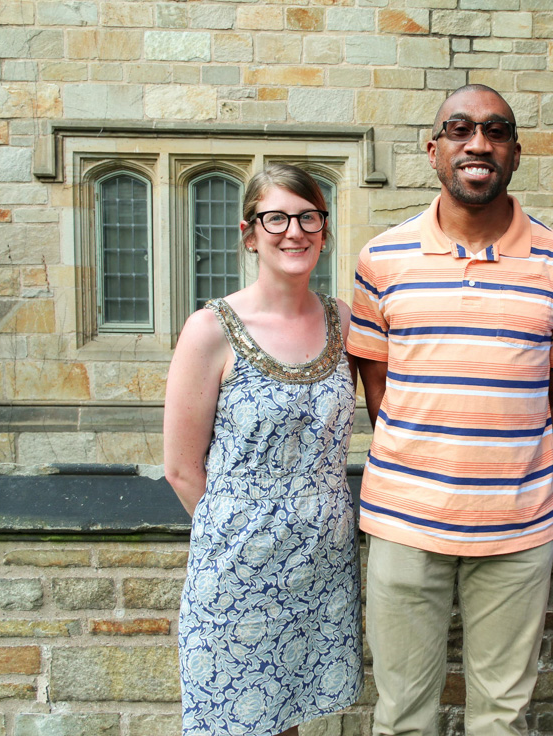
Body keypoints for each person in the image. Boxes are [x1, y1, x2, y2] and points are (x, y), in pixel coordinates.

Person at [346, 84, 553, 736]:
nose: (477, 143)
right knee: (403, 716)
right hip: (404, 523)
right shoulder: (381, 260)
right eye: (459, 130)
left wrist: (516, 460)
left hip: (517, 529)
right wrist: (424, 453)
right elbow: (377, 383)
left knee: (502, 717)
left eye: (495, 130)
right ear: (434, 151)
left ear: (515, 153)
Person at [163, 163, 362, 736]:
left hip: (320, 571)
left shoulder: (344, 323)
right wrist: (245, 537)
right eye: (276, 218)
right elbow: (180, 468)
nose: (293, 231)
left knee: (290, 721)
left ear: (323, 231)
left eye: (308, 218)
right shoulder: (211, 329)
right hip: (237, 575)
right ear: (250, 232)